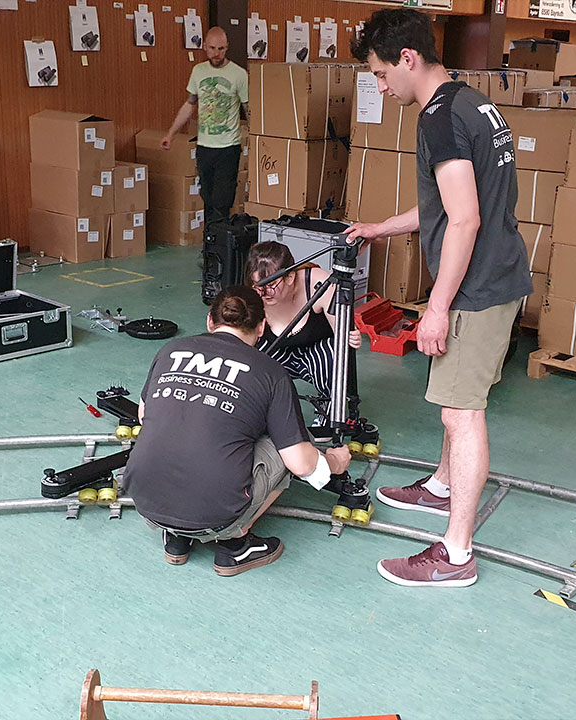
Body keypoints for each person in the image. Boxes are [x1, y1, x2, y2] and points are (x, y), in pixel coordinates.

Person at [347, 8, 532, 587]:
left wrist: (435, 306)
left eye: (380, 74)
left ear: (407, 59)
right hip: (500, 274)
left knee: (461, 411)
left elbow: (465, 219)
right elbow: (447, 203)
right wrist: (381, 227)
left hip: (476, 289)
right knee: (459, 400)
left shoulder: (437, 120)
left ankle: (455, 554)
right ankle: (441, 487)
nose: (381, 87)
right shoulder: (473, 103)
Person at [124, 285, 353, 577]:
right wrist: (333, 462)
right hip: (216, 515)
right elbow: (301, 464)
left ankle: (177, 537)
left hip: (147, 505)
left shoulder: (170, 350)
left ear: (210, 321)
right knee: (293, 441)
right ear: (261, 328)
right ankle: (236, 543)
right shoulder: (271, 372)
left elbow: (144, 414)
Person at [245, 241, 365, 439]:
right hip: (276, 354)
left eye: (271, 285)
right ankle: (262, 413)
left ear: (290, 276)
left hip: (316, 353)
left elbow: (343, 332)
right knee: (252, 357)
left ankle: (329, 411)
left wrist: (351, 337)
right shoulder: (254, 295)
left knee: (335, 349)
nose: (264, 294)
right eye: (258, 286)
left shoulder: (318, 283)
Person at [160, 26, 248, 225]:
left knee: (222, 200)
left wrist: (260, 139)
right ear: (204, 48)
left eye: (222, 49)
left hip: (228, 147)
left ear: (227, 48)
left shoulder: (239, 74)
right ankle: (210, 246)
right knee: (207, 198)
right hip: (205, 147)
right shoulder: (198, 71)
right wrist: (171, 134)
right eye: (213, 48)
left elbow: (248, 107)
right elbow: (189, 104)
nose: (217, 54)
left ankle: (220, 246)